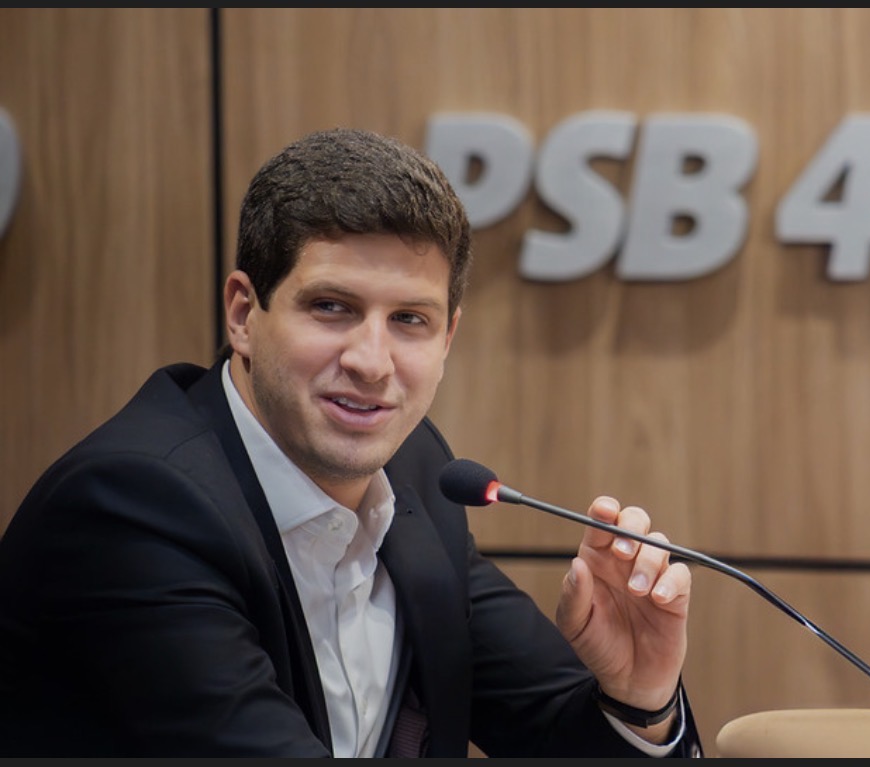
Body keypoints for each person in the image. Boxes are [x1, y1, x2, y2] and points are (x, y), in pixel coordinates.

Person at [0, 128, 702, 757]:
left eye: (410, 319)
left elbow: (548, 726)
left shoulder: (418, 470)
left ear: (448, 337)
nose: (371, 361)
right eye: (332, 307)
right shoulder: (133, 508)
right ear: (243, 314)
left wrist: (637, 701)